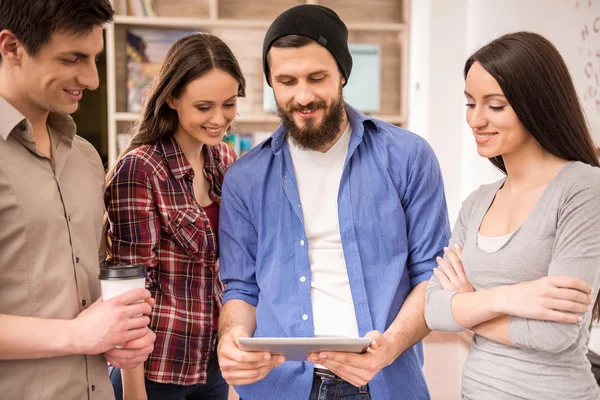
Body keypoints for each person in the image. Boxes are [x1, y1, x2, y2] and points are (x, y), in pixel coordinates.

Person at [216, 5, 450, 400]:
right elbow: (241, 288)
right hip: (279, 388)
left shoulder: (409, 158)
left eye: (317, 78)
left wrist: (388, 346)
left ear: (343, 73)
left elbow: (433, 276)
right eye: (287, 81)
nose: (302, 96)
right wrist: (233, 338)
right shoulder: (245, 178)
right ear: (271, 83)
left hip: (384, 383)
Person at [424, 31, 600, 400]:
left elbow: (556, 335)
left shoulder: (582, 188)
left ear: (536, 104)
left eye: (496, 105)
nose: (476, 119)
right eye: (470, 103)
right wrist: (512, 297)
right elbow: (435, 310)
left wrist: (468, 304)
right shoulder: (477, 202)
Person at [0, 0, 156, 399]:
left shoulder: (87, 159)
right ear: (11, 47)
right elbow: (81, 330)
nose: (92, 78)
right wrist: (77, 335)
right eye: (73, 59)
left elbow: (83, 290)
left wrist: (120, 335)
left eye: (95, 59)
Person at [104, 32, 245, 400]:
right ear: (171, 98)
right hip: (155, 369)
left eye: (229, 104)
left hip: (210, 363)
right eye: (204, 107)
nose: (219, 119)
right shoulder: (140, 169)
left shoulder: (226, 161)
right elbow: (128, 293)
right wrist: (134, 392)